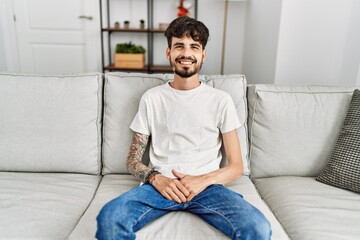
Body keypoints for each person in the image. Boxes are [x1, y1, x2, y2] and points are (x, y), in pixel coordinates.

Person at [96, 16, 271, 240]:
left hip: (208, 188)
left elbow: (237, 166)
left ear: (203, 55)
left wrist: (203, 179)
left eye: (194, 47)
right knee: (110, 219)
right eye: (179, 46)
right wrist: (155, 178)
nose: (186, 53)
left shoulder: (221, 100)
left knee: (258, 228)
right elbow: (132, 160)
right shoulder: (152, 98)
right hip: (160, 187)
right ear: (168, 53)